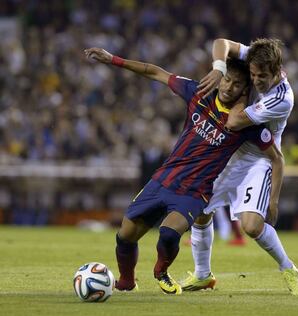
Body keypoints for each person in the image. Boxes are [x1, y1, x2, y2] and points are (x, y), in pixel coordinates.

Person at [84, 47, 282, 295]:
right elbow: (154, 72)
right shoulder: (199, 93)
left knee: (167, 233)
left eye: (236, 85)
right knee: (124, 237)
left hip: (194, 192)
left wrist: (272, 200)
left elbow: (277, 158)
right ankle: (126, 281)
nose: (229, 87)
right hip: (164, 179)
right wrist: (113, 59)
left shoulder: (247, 123)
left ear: (245, 90)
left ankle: (161, 272)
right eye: (227, 80)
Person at [181, 38, 298, 295]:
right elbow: (220, 42)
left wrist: (274, 200)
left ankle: (288, 267)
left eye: (262, 76)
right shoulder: (256, 57)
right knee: (200, 208)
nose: (256, 80)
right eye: (252, 74)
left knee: (251, 227)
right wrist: (218, 68)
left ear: (276, 70)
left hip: (258, 158)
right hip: (230, 151)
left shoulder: (282, 98)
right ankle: (203, 275)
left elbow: (234, 122)